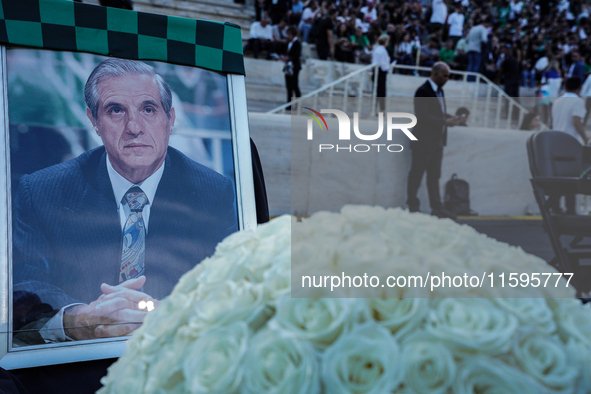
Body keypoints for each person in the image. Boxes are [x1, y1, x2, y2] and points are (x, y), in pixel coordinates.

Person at [13, 59, 238, 343]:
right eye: (116, 110)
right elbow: (23, 287)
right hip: (76, 362)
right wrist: (77, 320)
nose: (134, 127)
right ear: (94, 121)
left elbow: (229, 286)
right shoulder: (43, 190)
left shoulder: (213, 192)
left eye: (148, 109)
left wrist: (173, 315)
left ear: (170, 120)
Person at [407, 62, 460, 219]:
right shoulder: (422, 91)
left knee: (434, 175)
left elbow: (437, 112)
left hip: (437, 142)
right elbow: (422, 116)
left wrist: (449, 117)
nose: (447, 79)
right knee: (416, 174)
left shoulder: (440, 91)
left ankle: (437, 207)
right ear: (435, 74)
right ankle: (413, 206)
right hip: (423, 141)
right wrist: (445, 122)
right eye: (445, 75)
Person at [281, 26, 302, 107]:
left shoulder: (297, 44)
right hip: (288, 66)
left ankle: (297, 103)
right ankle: (289, 103)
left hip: (294, 66)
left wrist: (289, 58)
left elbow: (297, 55)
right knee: (288, 85)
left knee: (294, 85)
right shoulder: (288, 43)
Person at [372, 35, 391, 113]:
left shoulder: (376, 49)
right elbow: (384, 64)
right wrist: (388, 69)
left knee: (376, 92)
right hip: (381, 72)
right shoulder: (382, 50)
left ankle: (375, 109)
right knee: (381, 92)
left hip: (376, 70)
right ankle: (382, 109)